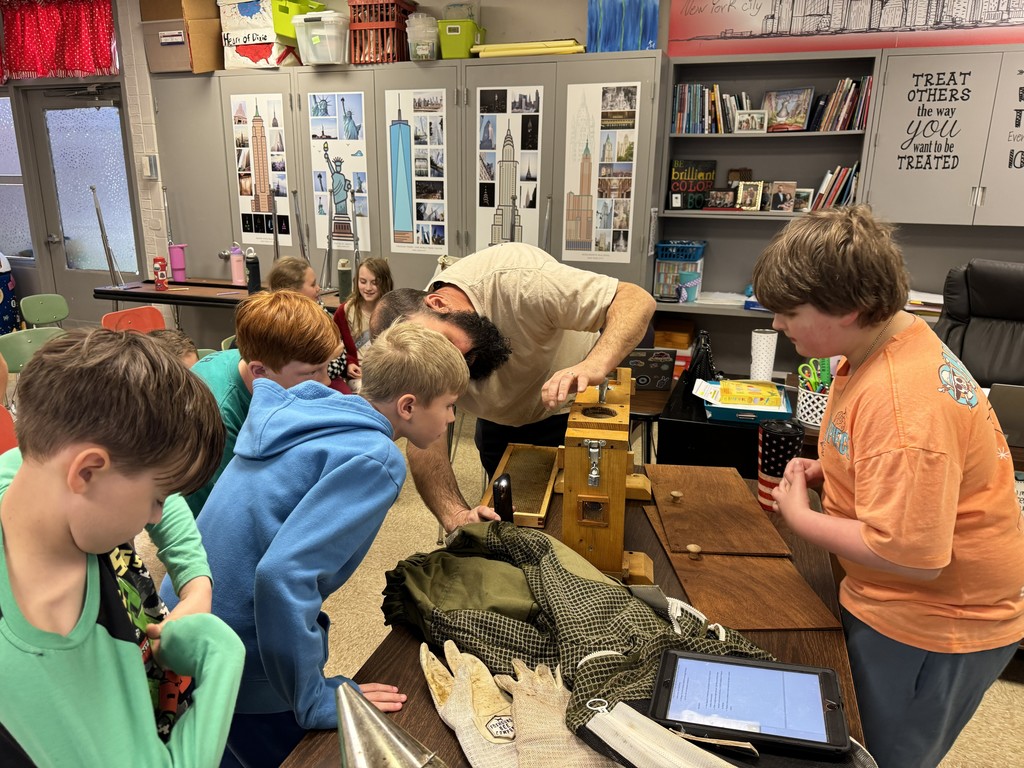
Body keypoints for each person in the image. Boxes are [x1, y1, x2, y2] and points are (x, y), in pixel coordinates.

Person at [751, 206, 1024, 768]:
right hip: (905, 602)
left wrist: (800, 517)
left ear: (849, 309)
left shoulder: (904, 403)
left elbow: (914, 556)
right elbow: (879, 453)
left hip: (935, 621)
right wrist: (832, 469)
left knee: (878, 754)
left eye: (789, 313)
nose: (778, 325)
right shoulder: (877, 349)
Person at [160, 322, 470, 767]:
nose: (452, 419)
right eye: (449, 406)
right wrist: (312, 699)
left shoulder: (310, 410)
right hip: (242, 653)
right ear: (408, 406)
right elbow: (284, 575)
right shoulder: (376, 458)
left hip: (186, 618)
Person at [0, 329, 243, 766]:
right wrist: (220, 652)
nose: (156, 517)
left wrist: (197, 582)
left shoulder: (38, 474)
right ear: (88, 471)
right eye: (157, 498)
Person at [370, 241, 656, 532]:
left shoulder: (518, 278)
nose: (452, 365)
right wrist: (455, 516)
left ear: (439, 304)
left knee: (583, 522)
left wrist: (594, 365)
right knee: (520, 524)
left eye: (448, 347)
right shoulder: (414, 351)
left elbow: (635, 299)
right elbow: (426, 441)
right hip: (501, 422)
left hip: (571, 407)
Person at [184, 290, 339, 517]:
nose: (326, 382)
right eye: (312, 372)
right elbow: (218, 515)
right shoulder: (219, 418)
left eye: (326, 367)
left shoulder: (259, 362)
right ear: (260, 371)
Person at [267, 256, 350, 394]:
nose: (318, 288)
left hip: (329, 380)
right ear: (293, 292)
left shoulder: (318, 307)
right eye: (312, 285)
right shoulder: (282, 326)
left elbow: (340, 352)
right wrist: (330, 356)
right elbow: (303, 374)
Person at [333, 257, 394, 392]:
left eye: (374, 283)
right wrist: (348, 364)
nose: (368, 288)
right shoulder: (345, 311)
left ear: (385, 283)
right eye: (363, 281)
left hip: (387, 373)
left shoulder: (394, 310)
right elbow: (333, 346)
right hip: (359, 376)